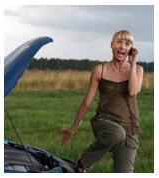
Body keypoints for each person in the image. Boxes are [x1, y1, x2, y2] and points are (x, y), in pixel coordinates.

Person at [60, 30, 143, 173]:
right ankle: (83, 162)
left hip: (130, 127)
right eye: (119, 42)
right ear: (112, 45)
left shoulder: (137, 70)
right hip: (104, 121)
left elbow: (132, 91)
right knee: (117, 133)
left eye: (127, 44)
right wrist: (73, 128)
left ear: (130, 49)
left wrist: (133, 63)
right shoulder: (100, 70)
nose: (122, 47)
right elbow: (87, 102)